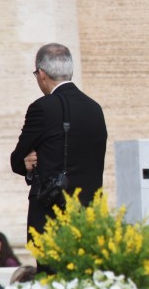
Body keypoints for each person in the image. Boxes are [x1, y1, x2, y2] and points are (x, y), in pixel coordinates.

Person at [10, 43, 107, 247]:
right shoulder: (95, 108)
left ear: (42, 74)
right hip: (89, 215)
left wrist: (26, 163)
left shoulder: (42, 108)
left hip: (52, 216)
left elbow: (17, 160)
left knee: (51, 277)